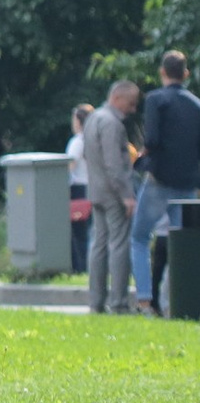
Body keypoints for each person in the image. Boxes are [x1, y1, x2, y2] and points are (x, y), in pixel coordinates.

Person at [132, 50, 200, 314]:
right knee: (181, 241)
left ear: (162, 72)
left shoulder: (156, 100)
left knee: (139, 237)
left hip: (160, 180)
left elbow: (151, 140)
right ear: (185, 74)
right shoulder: (196, 105)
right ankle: (176, 299)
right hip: (188, 182)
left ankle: (145, 300)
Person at [82, 79, 140, 316]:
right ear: (117, 98)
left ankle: (96, 301)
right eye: (131, 103)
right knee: (119, 245)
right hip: (114, 193)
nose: (133, 109)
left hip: (96, 190)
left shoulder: (93, 118)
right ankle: (118, 303)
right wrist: (127, 195)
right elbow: (114, 165)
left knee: (98, 245)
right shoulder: (112, 124)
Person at [65, 103, 92, 274]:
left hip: (77, 189)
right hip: (93, 188)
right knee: (90, 231)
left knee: (78, 233)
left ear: (78, 121)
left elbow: (70, 166)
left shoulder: (77, 142)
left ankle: (80, 267)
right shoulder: (95, 139)